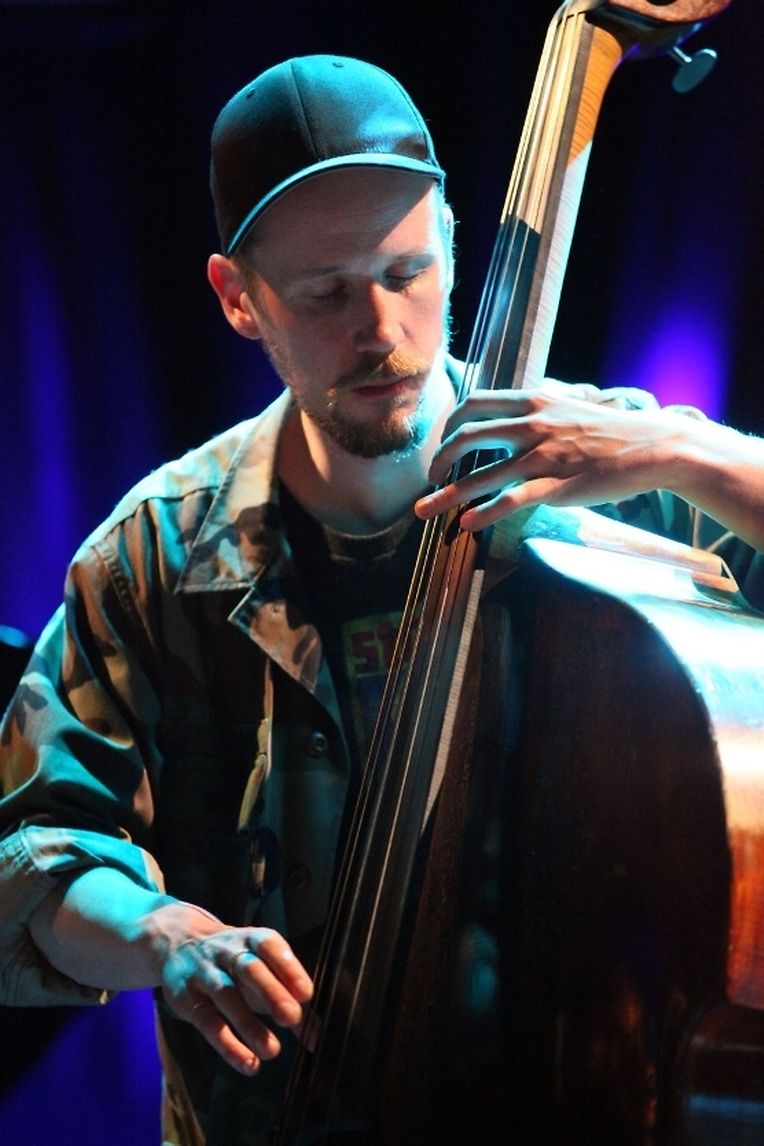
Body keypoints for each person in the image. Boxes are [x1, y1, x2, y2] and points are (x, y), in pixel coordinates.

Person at [0, 54, 762, 1145]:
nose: (383, 330)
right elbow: (34, 854)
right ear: (238, 299)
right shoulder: (151, 558)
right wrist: (165, 934)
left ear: (452, 241)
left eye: (408, 271)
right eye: (324, 293)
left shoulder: (621, 479)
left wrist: (686, 453)